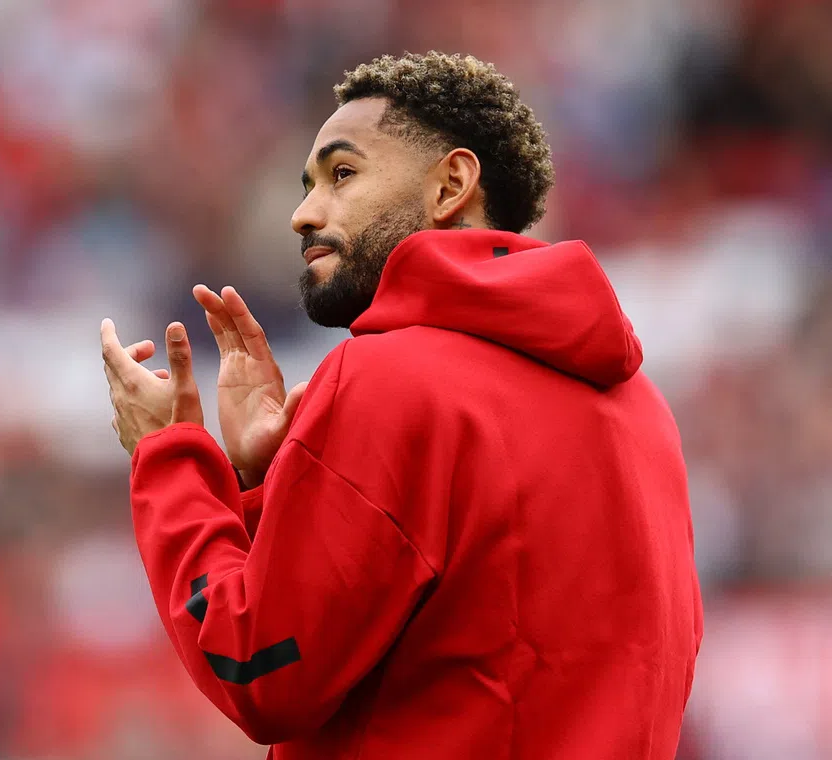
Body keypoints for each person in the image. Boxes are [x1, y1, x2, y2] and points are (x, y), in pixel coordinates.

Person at [100, 51, 703, 759]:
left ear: (451, 183)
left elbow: (260, 666)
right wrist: (269, 484)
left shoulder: (390, 378)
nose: (302, 214)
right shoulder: (643, 410)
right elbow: (459, 644)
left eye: (342, 174)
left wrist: (171, 457)